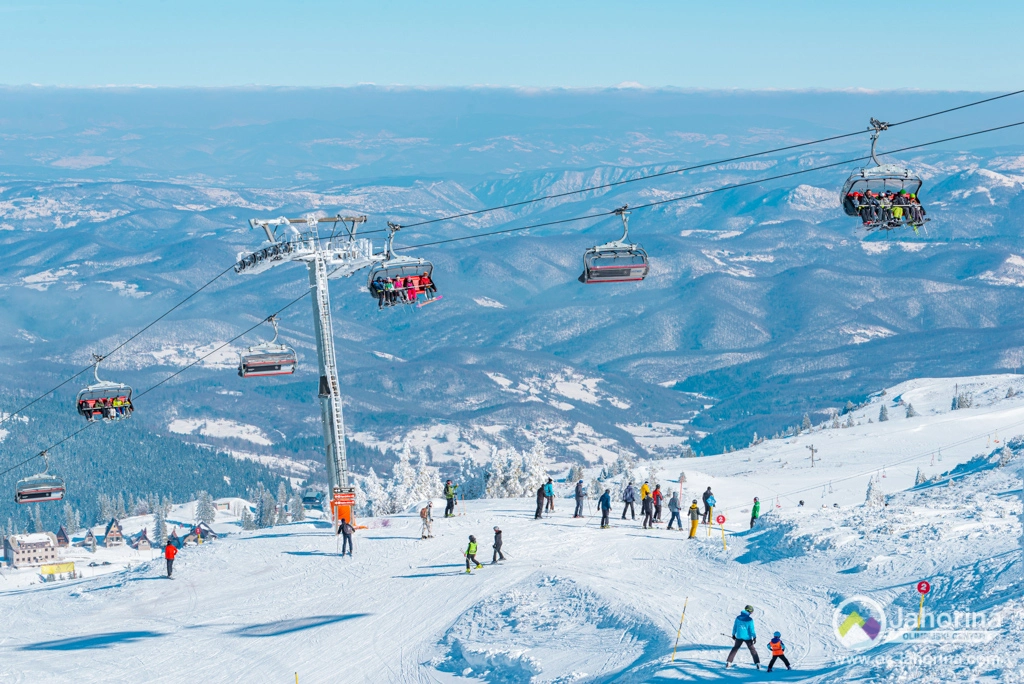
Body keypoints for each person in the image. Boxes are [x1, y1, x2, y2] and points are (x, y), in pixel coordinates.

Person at [726, 605, 760, 669]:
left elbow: (735, 626)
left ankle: (728, 662)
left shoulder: (738, 618)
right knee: (752, 650)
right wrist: (754, 637)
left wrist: (733, 634)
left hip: (739, 636)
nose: (752, 613)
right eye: (752, 612)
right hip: (747, 638)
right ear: (749, 611)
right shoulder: (750, 620)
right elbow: (751, 629)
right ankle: (757, 663)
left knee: (735, 648)